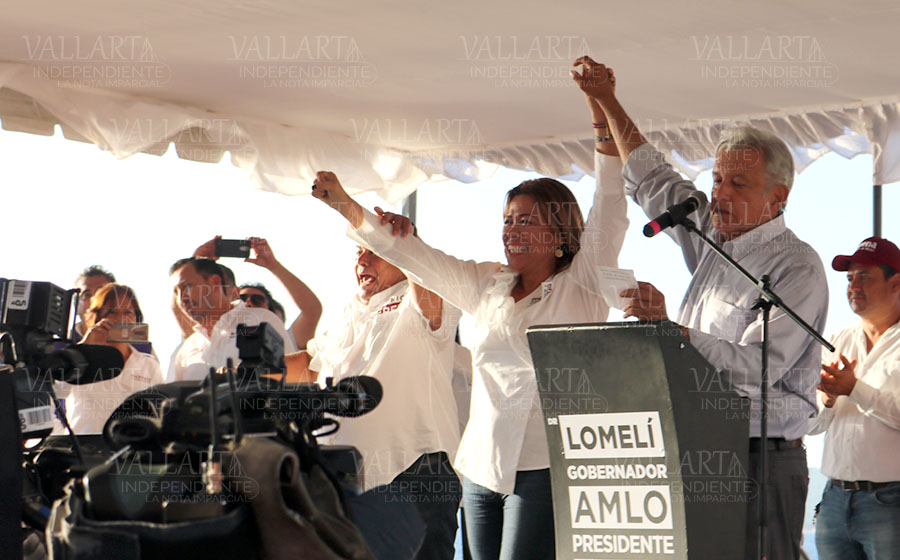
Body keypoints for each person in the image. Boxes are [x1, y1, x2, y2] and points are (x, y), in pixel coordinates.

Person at [309, 82, 628, 559]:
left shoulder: (580, 284)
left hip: (545, 465)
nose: (511, 231)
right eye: (507, 220)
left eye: (526, 221)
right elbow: (417, 258)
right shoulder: (487, 284)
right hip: (480, 467)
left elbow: (610, 199)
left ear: (561, 233)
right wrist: (347, 206)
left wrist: (603, 111)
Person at [571, 56, 828, 559]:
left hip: (763, 458)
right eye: (717, 180)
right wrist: (604, 100)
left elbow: (759, 367)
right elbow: (650, 174)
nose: (720, 195)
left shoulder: (799, 267)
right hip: (699, 447)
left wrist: (676, 332)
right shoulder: (706, 232)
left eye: (738, 184)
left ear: (778, 198)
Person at [283, 240, 462, 560]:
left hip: (416, 473)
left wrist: (400, 242)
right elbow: (308, 366)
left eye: (375, 250)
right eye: (358, 252)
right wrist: (246, 375)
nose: (362, 260)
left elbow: (427, 295)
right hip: (346, 478)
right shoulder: (348, 311)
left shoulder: (424, 293)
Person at [808, 237, 900, 559]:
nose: (853, 285)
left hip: (890, 502)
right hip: (834, 498)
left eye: (864, 277)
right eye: (849, 278)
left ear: (896, 283)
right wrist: (829, 400)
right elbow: (814, 426)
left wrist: (853, 389)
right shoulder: (837, 340)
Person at [167, 257, 296, 382]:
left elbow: (293, 377)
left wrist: (239, 376)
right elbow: (168, 399)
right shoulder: (186, 349)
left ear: (215, 282)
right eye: (176, 292)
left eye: (187, 286)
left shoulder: (261, 321)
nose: (181, 298)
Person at [63, 283, 163, 433]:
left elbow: (161, 410)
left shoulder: (148, 364)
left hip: (131, 448)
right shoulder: (78, 359)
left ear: (136, 318)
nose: (120, 319)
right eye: (112, 312)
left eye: (128, 312)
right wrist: (85, 344)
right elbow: (56, 390)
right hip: (84, 449)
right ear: (98, 318)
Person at [193, 236, 322, 349]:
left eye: (257, 300)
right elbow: (186, 307)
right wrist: (196, 264)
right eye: (242, 299)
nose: (248, 302)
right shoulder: (208, 340)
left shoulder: (285, 341)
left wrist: (273, 265)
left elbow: (312, 309)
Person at [72, 265, 116, 340]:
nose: (94, 300)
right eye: (87, 295)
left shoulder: (137, 345)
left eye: (101, 293)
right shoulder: (59, 346)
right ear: (76, 304)